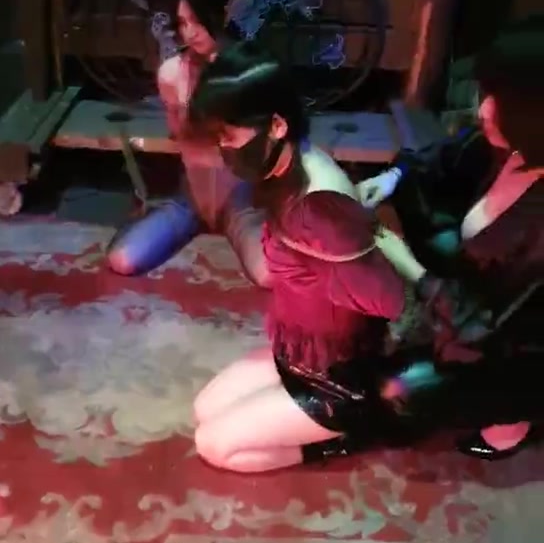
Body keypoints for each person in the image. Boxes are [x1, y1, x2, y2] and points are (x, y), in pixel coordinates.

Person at [186, 42, 479, 472]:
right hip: (298, 350)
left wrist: (349, 269)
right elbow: (361, 231)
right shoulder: (289, 164)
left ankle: (346, 437)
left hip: (339, 380)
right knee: (204, 409)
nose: (222, 147)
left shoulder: (316, 208)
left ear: (277, 125)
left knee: (214, 445)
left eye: (227, 136)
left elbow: (390, 299)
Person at [358, 32, 544, 458]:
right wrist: (391, 178)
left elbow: (487, 325)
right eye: (487, 94)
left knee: (396, 395)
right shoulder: (511, 146)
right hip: (474, 296)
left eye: (502, 101)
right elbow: (437, 157)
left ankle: (512, 421)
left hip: (514, 342)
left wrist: (404, 260)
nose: (483, 110)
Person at [106, 0, 270, 287]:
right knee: (122, 260)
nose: (190, 33)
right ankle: (157, 220)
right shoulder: (171, 74)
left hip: (239, 199)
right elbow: (177, 136)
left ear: (220, 14)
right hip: (192, 196)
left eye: (198, 20)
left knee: (268, 274)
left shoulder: (250, 69)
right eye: (182, 23)